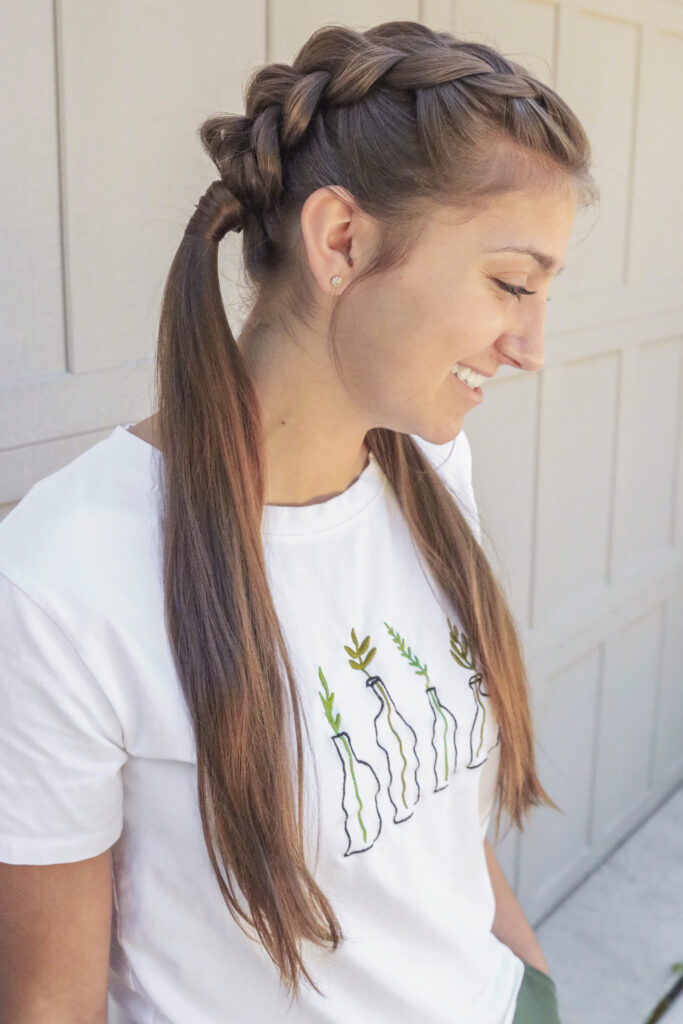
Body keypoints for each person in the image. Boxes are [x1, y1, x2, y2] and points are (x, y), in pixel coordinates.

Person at [0, 19, 599, 1024]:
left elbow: (425, 823)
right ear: (340, 241)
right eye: (509, 282)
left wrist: (520, 966)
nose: (531, 344)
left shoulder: (430, 473)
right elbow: (49, 1004)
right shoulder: (64, 576)